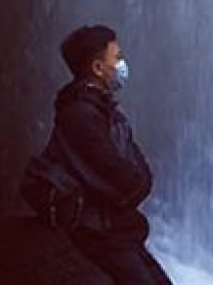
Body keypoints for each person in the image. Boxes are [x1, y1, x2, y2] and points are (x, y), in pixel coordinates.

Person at [43, 24, 172, 284]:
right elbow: (121, 175)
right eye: (117, 57)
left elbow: (137, 171)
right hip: (98, 232)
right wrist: (135, 183)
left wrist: (137, 182)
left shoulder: (105, 113)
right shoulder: (80, 115)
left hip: (115, 228)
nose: (123, 64)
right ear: (98, 68)